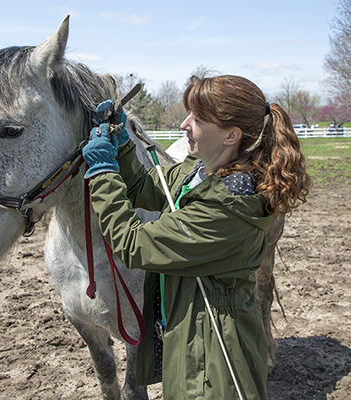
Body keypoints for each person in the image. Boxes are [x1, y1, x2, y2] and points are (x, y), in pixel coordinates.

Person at [82, 75, 311, 400]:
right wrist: (121, 143)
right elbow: (142, 189)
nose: (184, 124)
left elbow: (133, 244)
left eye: (198, 119)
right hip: (190, 337)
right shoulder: (202, 171)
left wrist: (103, 174)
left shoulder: (229, 205)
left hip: (214, 360)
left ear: (231, 135)